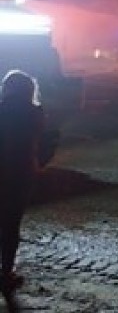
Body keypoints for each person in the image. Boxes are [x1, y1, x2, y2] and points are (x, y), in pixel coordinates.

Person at [0, 70, 45, 300]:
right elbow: (45, 142)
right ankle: (5, 273)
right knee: (10, 225)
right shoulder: (34, 113)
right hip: (19, 174)